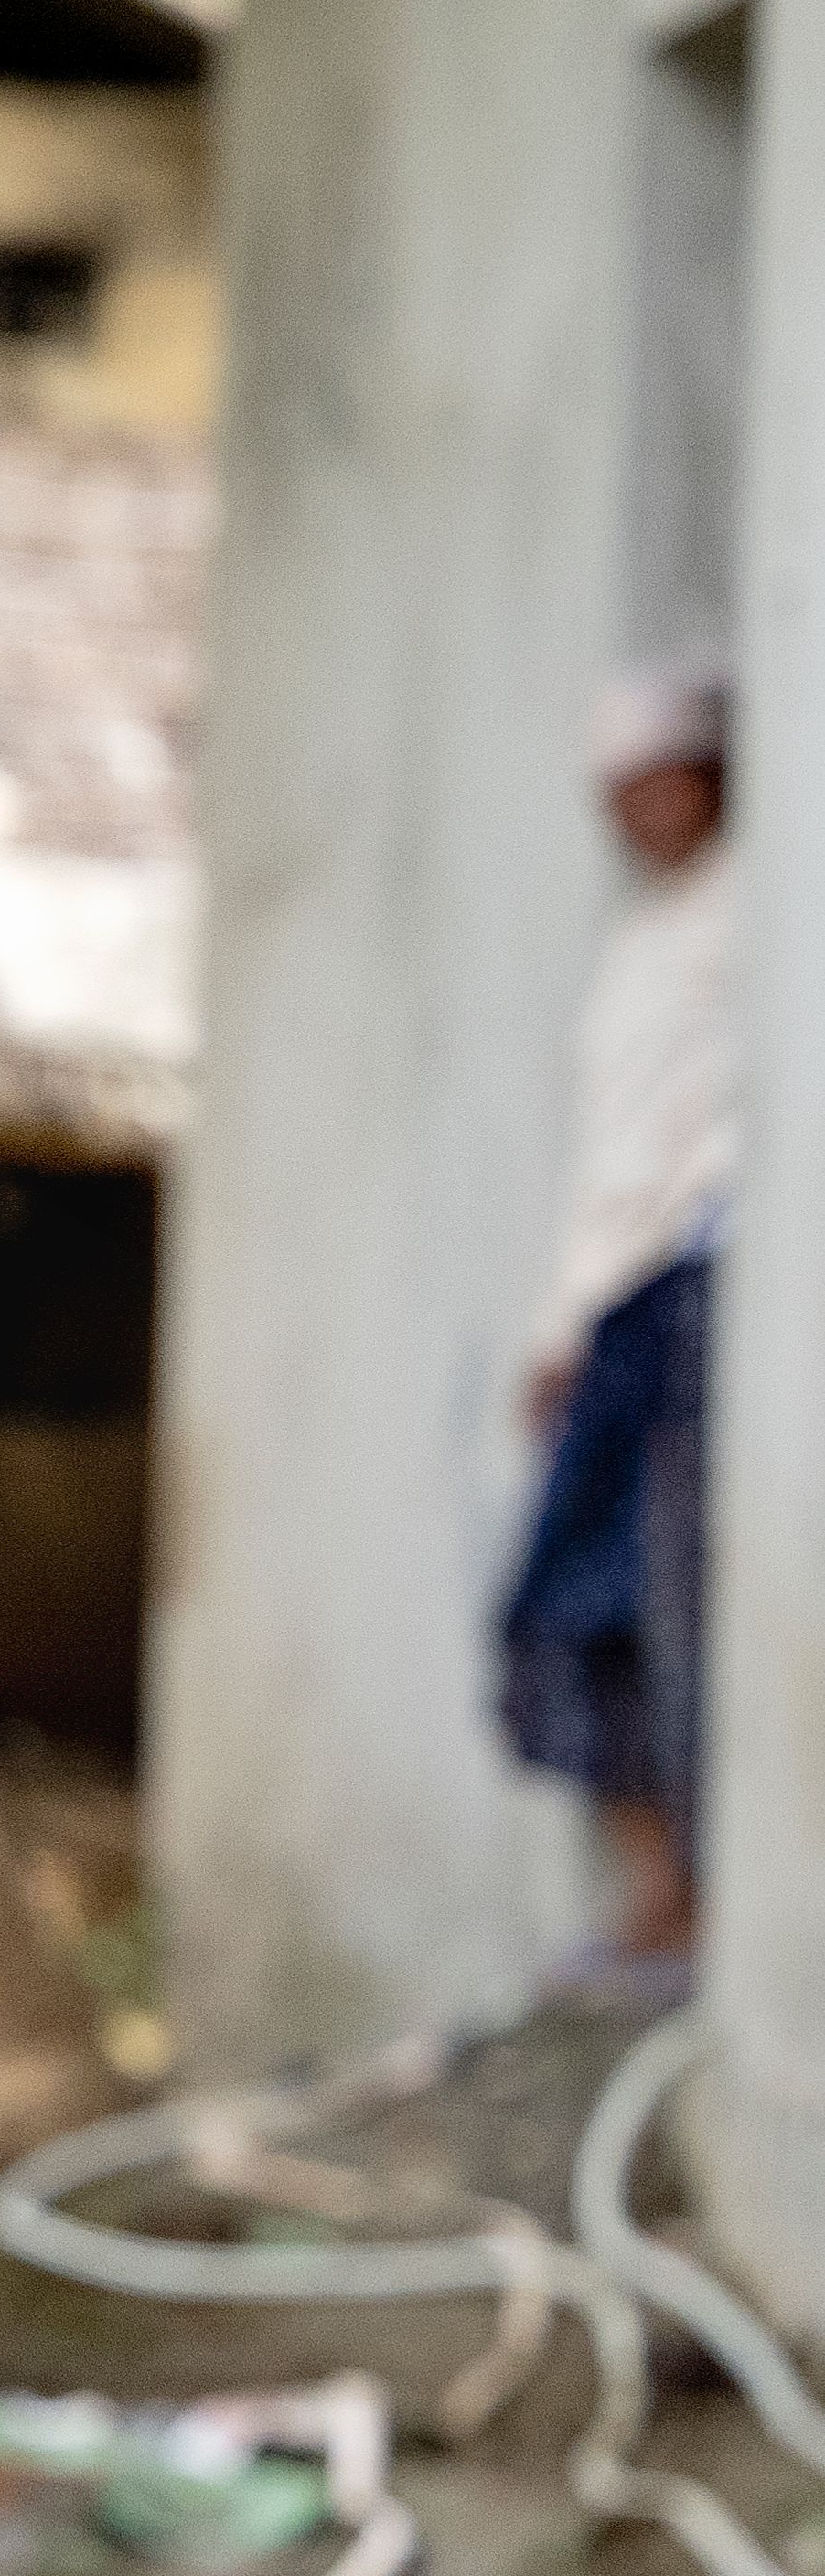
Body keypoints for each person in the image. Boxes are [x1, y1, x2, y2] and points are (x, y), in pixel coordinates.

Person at [501, 661, 735, 1993]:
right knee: (569, 1608)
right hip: (618, 1302)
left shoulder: (750, 919)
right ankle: (658, 1889)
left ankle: (690, 1896)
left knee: (658, 1597)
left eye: (657, 783)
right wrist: (564, 1323)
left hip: (684, 1284)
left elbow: (691, 1147)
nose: (638, 812)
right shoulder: (646, 941)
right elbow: (612, 1155)